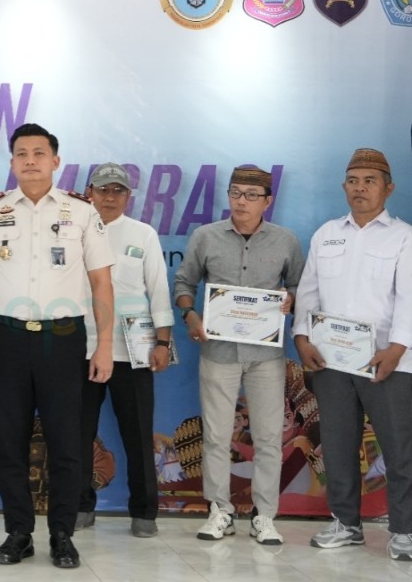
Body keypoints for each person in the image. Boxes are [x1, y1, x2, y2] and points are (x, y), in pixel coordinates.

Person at [0, 123, 115, 570]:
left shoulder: (80, 212)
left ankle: (62, 534)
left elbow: (101, 283)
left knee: (66, 441)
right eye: (22, 154)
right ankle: (18, 532)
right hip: (6, 337)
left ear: (55, 161)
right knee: (10, 442)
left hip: (63, 338)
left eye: (39, 153)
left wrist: (104, 345)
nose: (30, 160)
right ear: (12, 162)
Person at [173, 165, 303, 545]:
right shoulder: (206, 236)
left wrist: (291, 299)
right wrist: (190, 314)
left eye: (251, 195)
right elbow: (184, 282)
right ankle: (220, 511)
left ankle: (264, 516)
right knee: (216, 435)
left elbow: (298, 285)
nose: (241, 201)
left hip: (266, 355)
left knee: (268, 437)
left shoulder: (286, 241)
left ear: (267, 201)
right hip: (218, 351)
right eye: (235, 193)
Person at [292, 148, 412, 560]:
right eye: (353, 181)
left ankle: (405, 531)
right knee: (338, 444)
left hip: (388, 362)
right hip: (332, 361)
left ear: (388, 189)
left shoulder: (404, 236)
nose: (360, 188)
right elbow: (309, 292)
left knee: (399, 447)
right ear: (344, 186)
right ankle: (345, 523)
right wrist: (302, 338)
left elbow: (409, 298)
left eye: (370, 181)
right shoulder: (326, 234)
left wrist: (397, 348)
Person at [74, 162, 172, 538]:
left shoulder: (143, 234)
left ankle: (144, 512)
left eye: (118, 190)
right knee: (77, 433)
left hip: (134, 352)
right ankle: (81, 505)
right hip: (81, 349)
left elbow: (158, 291)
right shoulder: (73, 232)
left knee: (138, 434)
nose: (110, 197)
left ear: (128, 196)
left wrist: (162, 342)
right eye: (103, 190)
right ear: (90, 193)